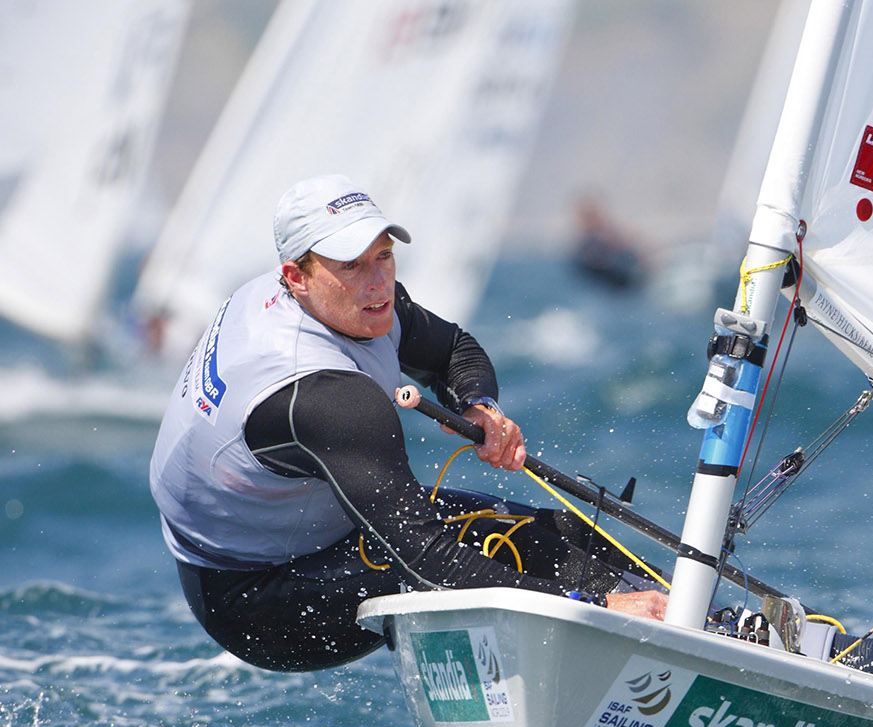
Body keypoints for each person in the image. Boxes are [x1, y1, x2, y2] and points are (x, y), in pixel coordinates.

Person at [149, 175, 667, 672]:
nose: (377, 283)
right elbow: (428, 562)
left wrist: (480, 406)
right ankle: (636, 646)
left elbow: (453, 349)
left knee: (556, 533)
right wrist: (596, 606)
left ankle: (689, 621)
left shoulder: (352, 301)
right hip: (255, 601)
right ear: (295, 278)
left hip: (308, 529)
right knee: (488, 552)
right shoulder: (326, 397)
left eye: (384, 256)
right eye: (351, 265)